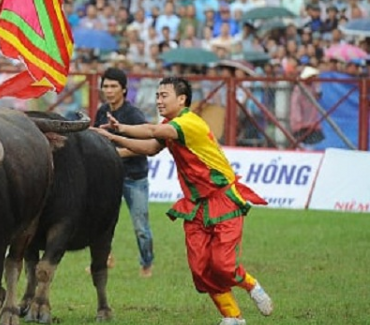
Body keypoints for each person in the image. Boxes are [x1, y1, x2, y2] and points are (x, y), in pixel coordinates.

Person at [91, 77, 273, 325]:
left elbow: (153, 131)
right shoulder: (170, 125)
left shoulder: (188, 123)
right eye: (157, 96)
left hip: (223, 200)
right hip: (195, 205)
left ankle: (251, 285)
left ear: (182, 99)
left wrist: (118, 129)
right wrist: (112, 139)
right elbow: (148, 148)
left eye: (164, 95)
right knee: (200, 269)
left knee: (222, 265)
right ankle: (233, 317)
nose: (158, 100)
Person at [93, 68, 154, 277]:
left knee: (140, 226)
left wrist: (114, 153)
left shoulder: (133, 115)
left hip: (134, 177)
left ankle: (147, 263)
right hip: (109, 177)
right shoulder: (102, 111)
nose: (108, 91)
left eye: (113, 86)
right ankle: (105, 259)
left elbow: (145, 144)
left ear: (124, 90)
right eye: (105, 86)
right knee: (103, 222)